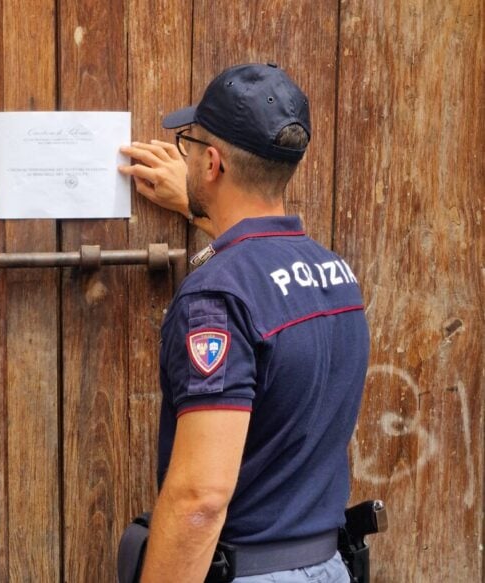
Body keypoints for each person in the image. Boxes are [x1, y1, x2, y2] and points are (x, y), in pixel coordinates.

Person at [117, 63, 369, 582]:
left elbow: (200, 499)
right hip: (328, 567)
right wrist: (198, 207)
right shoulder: (335, 274)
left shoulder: (217, 297)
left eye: (189, 145)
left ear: (212, 162)